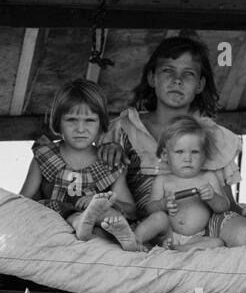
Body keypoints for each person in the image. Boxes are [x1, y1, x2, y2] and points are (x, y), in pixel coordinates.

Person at [97, 36, 246, 248]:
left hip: (207, 227)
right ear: (152, 78)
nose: (177, 80)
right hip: (153, 226)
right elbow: (101, 183)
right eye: (168, 70)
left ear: (200, 84)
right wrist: (107, 150)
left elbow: (228, 205)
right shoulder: (125, 129)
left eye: (188, 74)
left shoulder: (212, 135)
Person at [20, 79, 149, 252]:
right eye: (71, 119)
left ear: (101, 123)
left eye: (89, 120)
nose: (80, 128)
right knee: (47, 208)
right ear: (58, 122)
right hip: (55, 226)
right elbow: (24, 201)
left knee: (111, 216)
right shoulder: (45, 156)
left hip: (95, 230)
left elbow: (131, 210)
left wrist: (104, 201)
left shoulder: (109, 163)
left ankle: (125, 239)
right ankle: (78, 220)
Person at [149, 118, 229, 250]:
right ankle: (135, 239)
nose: (188, 158)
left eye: (195, 152)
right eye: (180, 152)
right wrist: (162, 204)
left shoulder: (208, 178)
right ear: (165, 155)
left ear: (204, 156)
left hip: (196, 237)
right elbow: (150, 208)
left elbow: (224, 207)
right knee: (157, 219)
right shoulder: (163, 180)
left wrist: (213, 197)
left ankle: (180, 249)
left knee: (217, 243)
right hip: (166, 234)